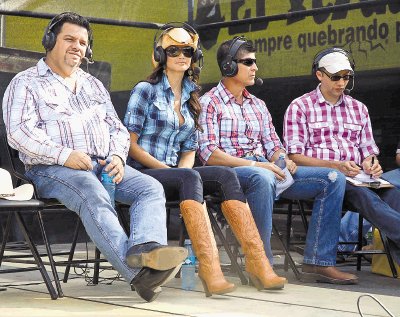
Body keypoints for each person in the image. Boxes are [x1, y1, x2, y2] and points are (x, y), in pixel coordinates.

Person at [2, 12, 188, 303]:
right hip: (50, 168)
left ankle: (145, 251)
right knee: (91, 189)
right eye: (69, 39)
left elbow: (117, 128)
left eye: (82, 42)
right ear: (50, 41)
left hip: (103, 163)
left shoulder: (93, 85)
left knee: (149, 187)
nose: (77, 46)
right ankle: (140, 275)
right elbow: (19, 133)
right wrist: (65, 155)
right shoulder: (25, 83)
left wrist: (117, 156)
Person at [123, 24, 286, 296]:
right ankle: (210, 270)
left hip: (177, 173)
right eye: (172, 50)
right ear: (160, 54)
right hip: (143, 172)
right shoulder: (145, 90)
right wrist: (170, 171)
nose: (181, 55)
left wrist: (182, 172)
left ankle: (259, 265)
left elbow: (189, 149)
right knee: (189, 176)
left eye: (187, 50)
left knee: (225, 175)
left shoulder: (191, 96)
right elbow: (129, 144)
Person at [197, 37, 357, 284]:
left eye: (255, 62)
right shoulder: (209, 103)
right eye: (248, 62)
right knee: (263, 178)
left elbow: (273, 145)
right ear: (229, 66)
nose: (255, 68)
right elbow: (209, 154)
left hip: (268, 169)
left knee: (333, 178)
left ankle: (318, 262)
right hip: (231, 173)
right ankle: (260, 263)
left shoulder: (258, 105)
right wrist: (258, 165)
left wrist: (282, 158)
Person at [283, 47, 400, 266]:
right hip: (324, 176)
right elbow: (295, 156)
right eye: (335, 77)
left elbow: (368, 152)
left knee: (393, 195)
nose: (341, 82)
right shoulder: (300, 106)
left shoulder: (359, 109)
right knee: (364, 196)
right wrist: (336, 165)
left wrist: (371, 164)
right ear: (320, 74)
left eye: (346, 77)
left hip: (357, 175)